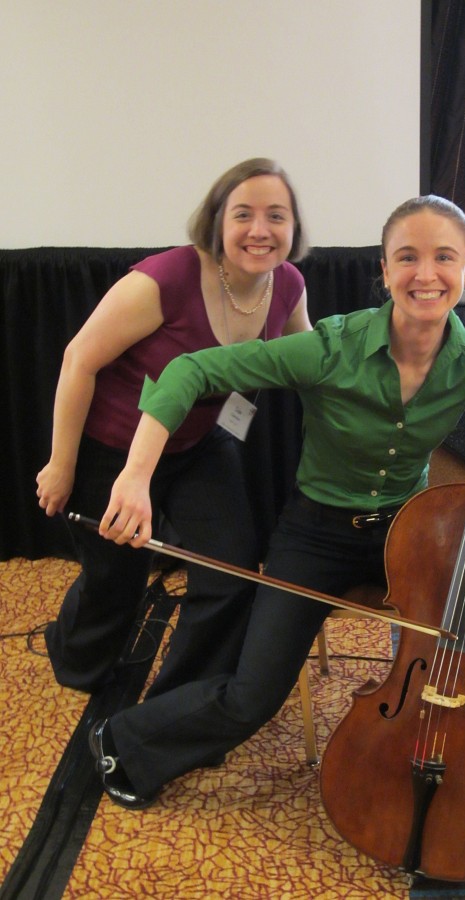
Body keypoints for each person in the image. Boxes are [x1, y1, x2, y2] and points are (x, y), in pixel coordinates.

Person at [88, 195, 465, 856]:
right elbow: (191, 369)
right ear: (384, 271)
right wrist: (134, 475)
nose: (425, 273)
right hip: (317, 537)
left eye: (444, 257)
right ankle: (122, 740)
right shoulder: (329, 348)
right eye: (406, 257)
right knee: (252, 696)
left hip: (411, 537)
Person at [36, 157, 312, 697]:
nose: (261, 230)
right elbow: (78, 361)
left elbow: (311, 364)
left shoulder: (290, 285)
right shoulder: (163, 278)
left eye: (277, 216)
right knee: (115, 579)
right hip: (109, 446)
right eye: (244, 215)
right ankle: (78, 661)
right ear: (217, 220)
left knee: (231, 569)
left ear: (294, 228)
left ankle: (183, 697)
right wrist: (60, 464)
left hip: (200, 443)